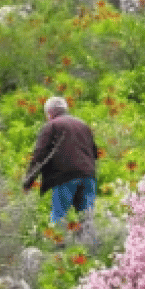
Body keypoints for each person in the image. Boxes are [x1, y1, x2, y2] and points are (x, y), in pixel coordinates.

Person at [22, 96, 99, 230]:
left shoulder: (51, 126)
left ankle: (58, 242)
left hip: (64, 177)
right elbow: (95, 153)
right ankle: (89, 242)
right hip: (88, 176)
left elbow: (39, 156)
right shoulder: (83, 125)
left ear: (50, 113)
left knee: (59, 217)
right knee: (87, 219)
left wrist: (28, 182)